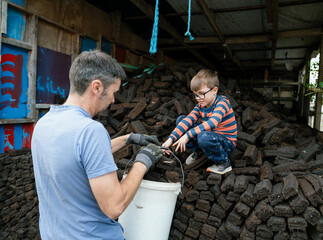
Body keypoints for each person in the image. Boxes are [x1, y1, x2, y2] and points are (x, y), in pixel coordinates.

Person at [31, 50, 163, 240]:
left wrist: (128, 138)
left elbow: (77, 156)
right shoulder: (91, 130)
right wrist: (143, 162)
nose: (113, 99)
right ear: (97, 87)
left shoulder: (43, 124)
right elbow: (114, 206)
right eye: (113, 92)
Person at [162, 69, 237, 175]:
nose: (198, 98)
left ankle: (223, 163)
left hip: (226, 142)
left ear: (214, 90)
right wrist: (170, 140)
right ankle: (199, 151)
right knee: (181, 120)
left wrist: (187, 135)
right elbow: (188, 120)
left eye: (201, 94)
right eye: (195, 94)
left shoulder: (222, 102)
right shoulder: (200, 105)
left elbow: (213, 123)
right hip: (210, 136)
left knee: (203, 136)